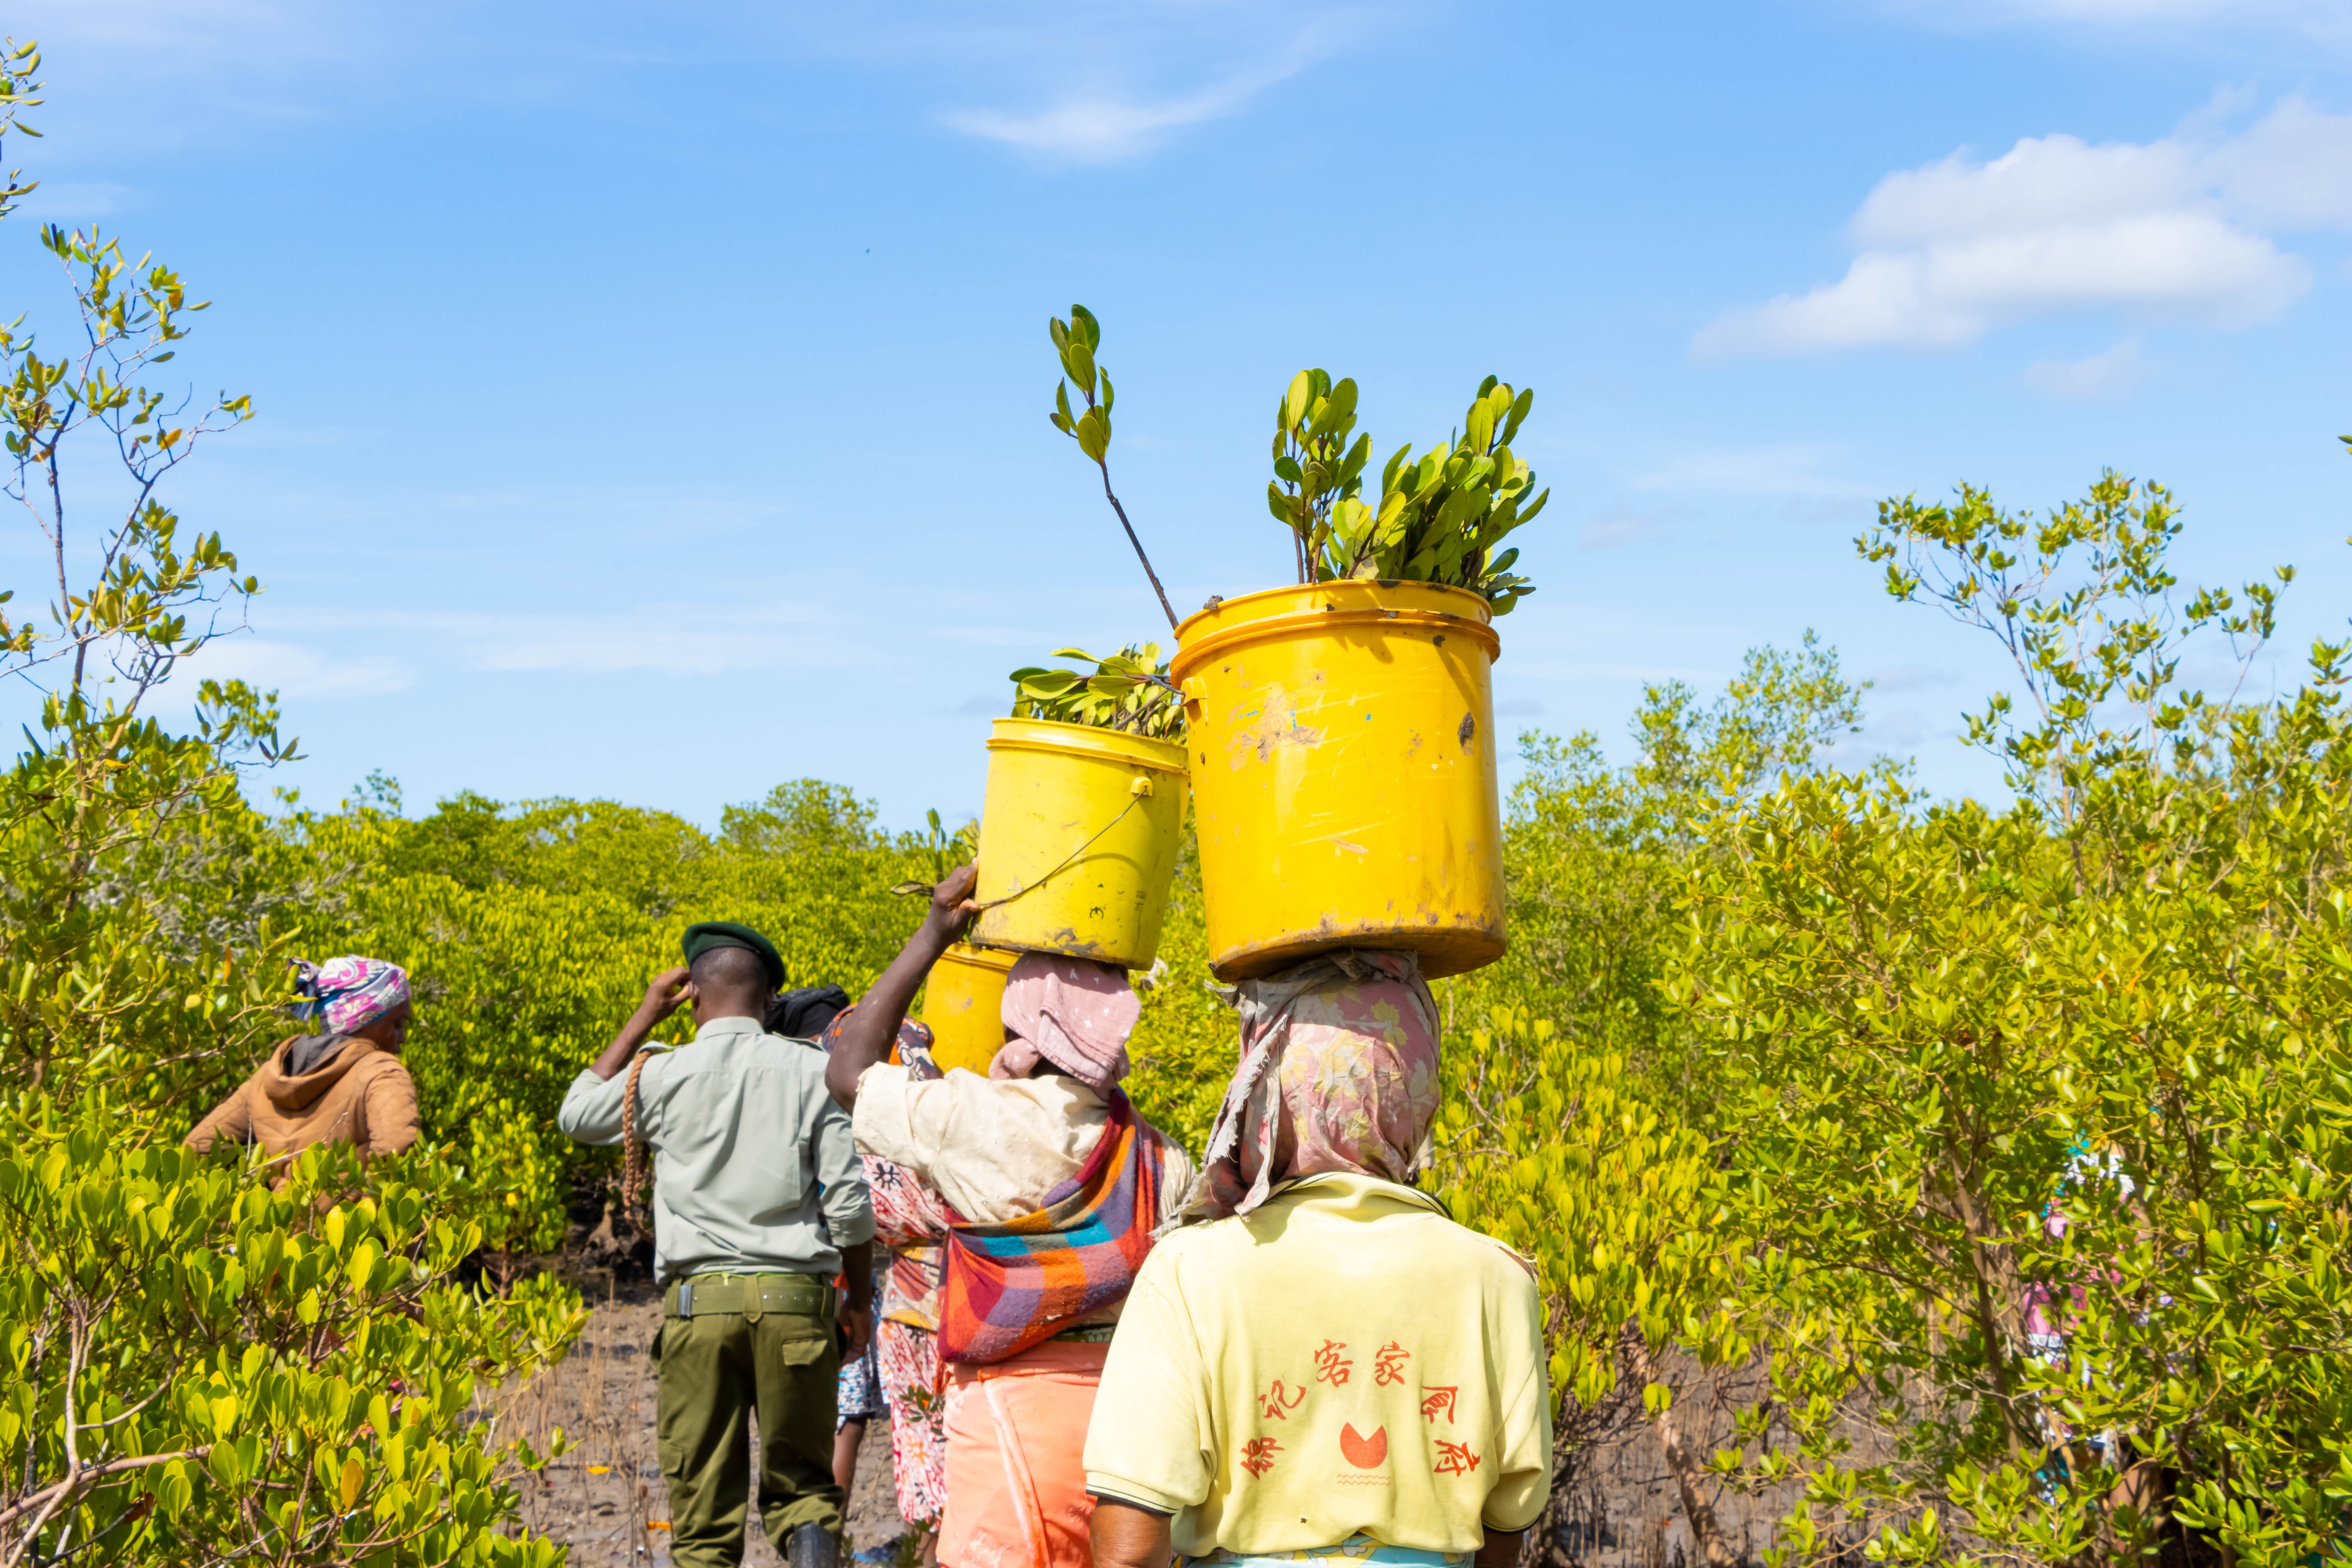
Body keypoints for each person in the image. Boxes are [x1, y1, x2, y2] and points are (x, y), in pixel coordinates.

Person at [1082, 950, 1552, 1568]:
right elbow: (1506, 1525)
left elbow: (1129, 1540)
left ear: (1265, 1092)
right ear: (1417, 1092)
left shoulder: (1191, 1270)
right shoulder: (1496, 1277)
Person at [824, 867, 1196, 1568]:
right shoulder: (1154, 1152)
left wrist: (934, 931)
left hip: (1005, 1417)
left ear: (1022, 1026)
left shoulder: (971, 1116)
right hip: (1131, 1426)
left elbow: (848, 1069)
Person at [557, 921, 874, 1568]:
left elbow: (577, 1113)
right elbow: (849, 1206)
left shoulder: (664, 1074)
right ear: (768, 1001)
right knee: (806, 1496)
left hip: (698, 1312)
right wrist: (858, 1299)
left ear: (693, 998)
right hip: (796, 1305)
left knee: (703, 1525)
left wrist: (643, 1018)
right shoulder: (814, 1071)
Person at [186, 955, 419, 1174]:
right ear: (366, 1016)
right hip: (346, 1217)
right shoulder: (382, 1072)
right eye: (397, 1024)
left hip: (268, 1217)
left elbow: (197, 1149)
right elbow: (397, 1152)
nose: (402, 1039)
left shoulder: (267, 1077)